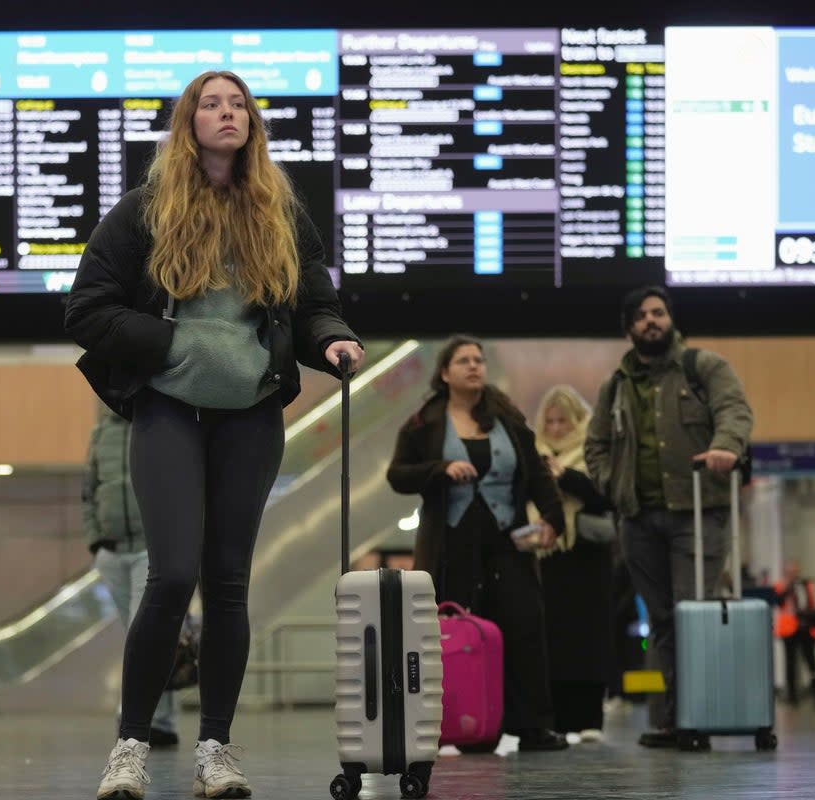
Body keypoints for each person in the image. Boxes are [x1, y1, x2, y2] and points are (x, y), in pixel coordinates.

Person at [65, 70, 365, 800]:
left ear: (252, 125)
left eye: (237, 105)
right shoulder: (144, 212)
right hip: (169, 412)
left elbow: (316, 302)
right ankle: (129, 750)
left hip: (251, 416)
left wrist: (333, 343)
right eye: (211, 103)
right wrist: (171, 346)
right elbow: (87, 310)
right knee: (170, 578)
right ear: (188, 123)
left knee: (228, 586)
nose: (226, 113)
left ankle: (216, 752)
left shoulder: (280, 216)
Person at [585, 285, 753, 748]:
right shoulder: (615, 386)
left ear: (671, 321)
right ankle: (674, 720)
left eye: (658, 313)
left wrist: (726, 447)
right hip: (638, 518)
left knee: (692, 613)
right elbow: (595, 445)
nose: (650, 321)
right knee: (661, 621)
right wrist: (609, 483)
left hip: (699, 512)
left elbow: (734, 411)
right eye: (640, 316)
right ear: (629, 329)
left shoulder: (705, 368)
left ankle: (696, 717)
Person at [386, 335, 569, 752]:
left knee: (524, 628)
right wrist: (440, 468)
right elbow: (398, 475)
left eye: (479, 360)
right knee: (459, 634)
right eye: (464, 360)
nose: (474, 366)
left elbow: (537, 473)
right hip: (452, 545)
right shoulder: (425, 421)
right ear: (446, 372)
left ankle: (533, 727)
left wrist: (553, 519)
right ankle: (466, 723)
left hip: (508, 540)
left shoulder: (507, 417)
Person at [83, 406, 180, 746]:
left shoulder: (158, 420)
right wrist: (95, 541)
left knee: (146, 630)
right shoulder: (101, 433)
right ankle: (161, 720)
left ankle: (139, 717)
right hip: (111, 551)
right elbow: (89, 491)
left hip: (148, 547)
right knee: (140, 634)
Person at [529, 385, 614, 741]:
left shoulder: (594, 452)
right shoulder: (532, 454)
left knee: (587, 641)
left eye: (563, 420)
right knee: (550, 641)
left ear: (578, 420)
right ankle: (555, 720)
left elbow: (605, 497)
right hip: (546, 556)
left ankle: (590, 718)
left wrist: (566, 476)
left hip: (586, 559)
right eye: (549, 421)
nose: (556, 427)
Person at [774, 560, 815, 707]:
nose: (794, 573)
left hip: (806, 628)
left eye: (796, 570)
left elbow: (812, 604)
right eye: (791, 570)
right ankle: (792, 695)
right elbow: (779, 602)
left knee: (811, 660)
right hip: (789, 629)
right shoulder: (780, 586)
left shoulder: (806, 585)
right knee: (790, 662)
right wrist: (788, 586)